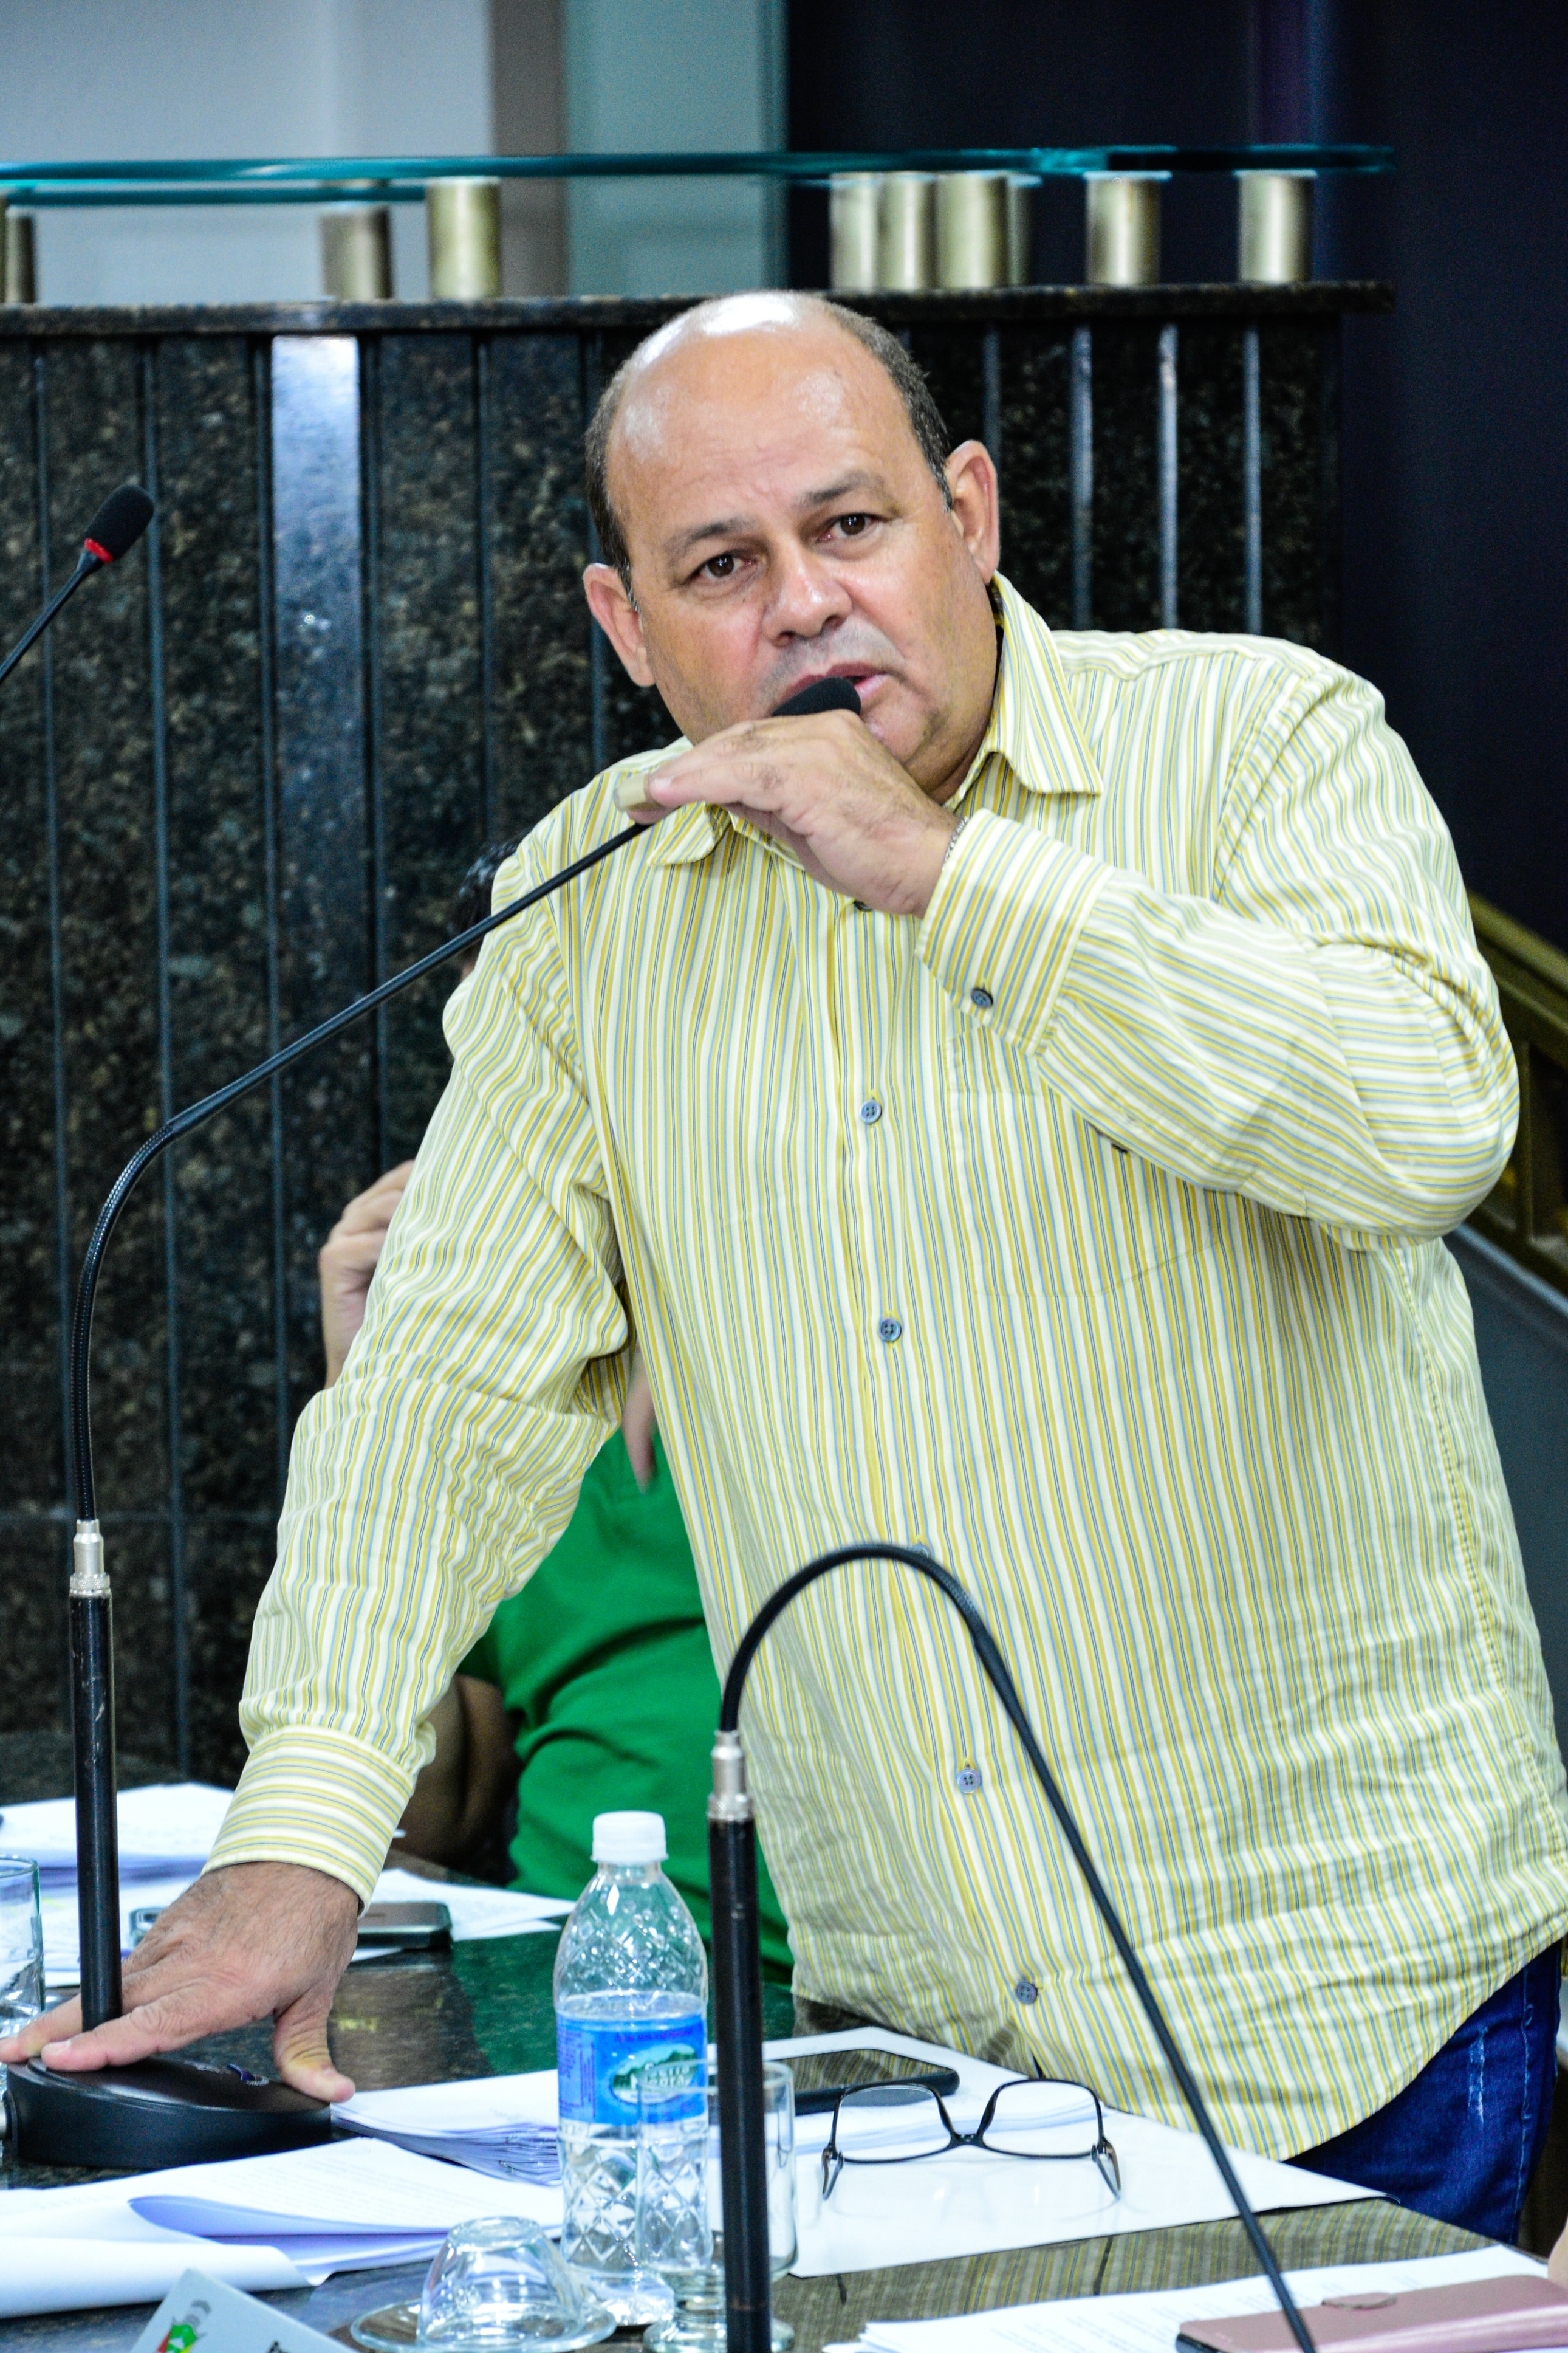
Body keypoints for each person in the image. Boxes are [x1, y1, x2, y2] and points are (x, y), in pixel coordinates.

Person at [11, 292, 1565, 2241]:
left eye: (849, 526)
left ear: (966, 516)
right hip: (914, 2056)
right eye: (721, 566)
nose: (806, 603)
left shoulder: (1256, 739)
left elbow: (1422, 1128)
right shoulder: (590, 902)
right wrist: (302, 1843)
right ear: (626, 626)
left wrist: (944, 875)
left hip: (1338, 2014)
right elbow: (442, 1399)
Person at [317, 848, 791, 1967]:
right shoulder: (501, 1370)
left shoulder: (839, 1325)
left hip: (808, 1997)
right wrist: (367, 1399)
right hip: (560, 1972)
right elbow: (427, 1818)